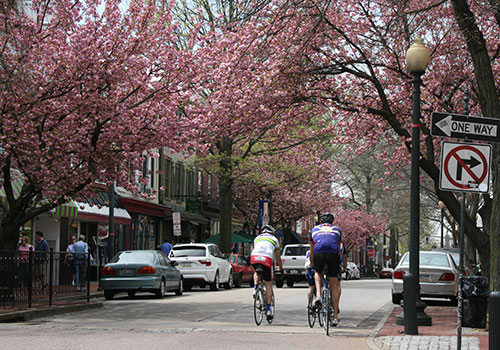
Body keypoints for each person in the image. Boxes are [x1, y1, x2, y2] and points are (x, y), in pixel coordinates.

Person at [310, 212, 342, 327]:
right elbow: (338, 249)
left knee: (317, 272)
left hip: (318, 253)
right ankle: (335, 317)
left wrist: (312, 264)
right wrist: (338, 264)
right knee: (334, 284)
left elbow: (312, 249)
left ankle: (318, 295)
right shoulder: (337, 230)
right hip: (333, 254)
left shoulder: (314, 229)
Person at [250, 225, 283, 322]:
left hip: (254, 256)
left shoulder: (257, 238)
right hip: (267, 258)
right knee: (268, 283)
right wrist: (281, 269)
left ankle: (255, 288)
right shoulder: (275, 240)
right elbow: (278, 258)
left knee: (257, 272)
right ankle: (269, 308)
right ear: (272, 232)